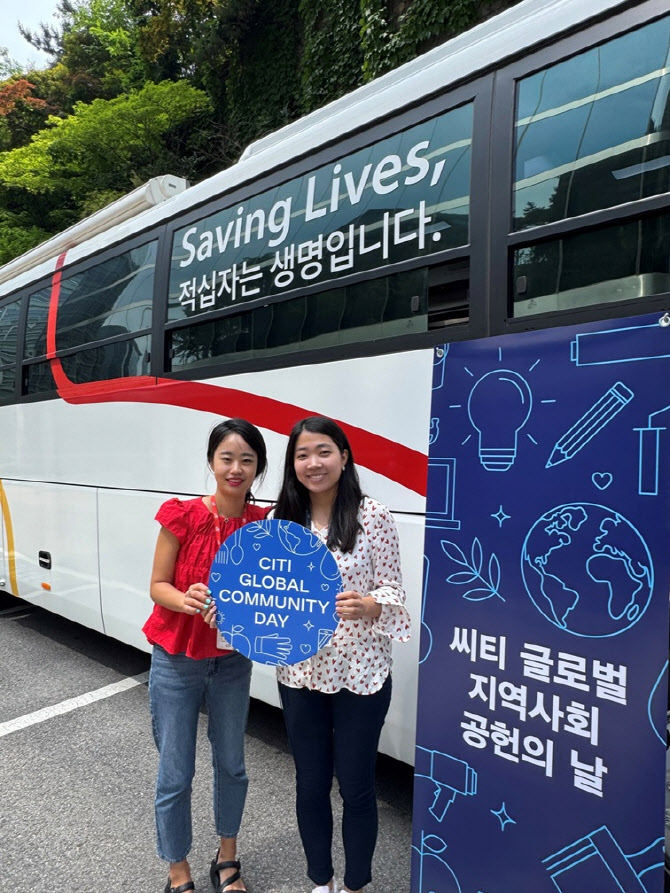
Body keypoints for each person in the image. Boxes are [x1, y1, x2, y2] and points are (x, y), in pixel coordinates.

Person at [272, 416, 411, 893]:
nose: (314, 463)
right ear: (293, 464)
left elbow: (394, 588)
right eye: (302, 454)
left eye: (324, 451)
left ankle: (355, 885)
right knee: (310, 783)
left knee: (356, 786)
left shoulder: (373, 515)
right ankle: (321, 881)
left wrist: (372, 604)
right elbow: (262, 593)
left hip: (362, 673)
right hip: (300, 672)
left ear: (344, 457)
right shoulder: (280, 522)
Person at [144, 418, 268, 893]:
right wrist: (186, 599)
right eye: (227, 458)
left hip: (233, 662)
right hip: (177, 656)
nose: (236, 469)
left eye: (247, 460)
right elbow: (157, 586)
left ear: (258, 468)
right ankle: (177, 870)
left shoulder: (264, 527)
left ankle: (227, 856)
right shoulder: (183, 516)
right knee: (175, 771)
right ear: (212, 462)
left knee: (232, 763)